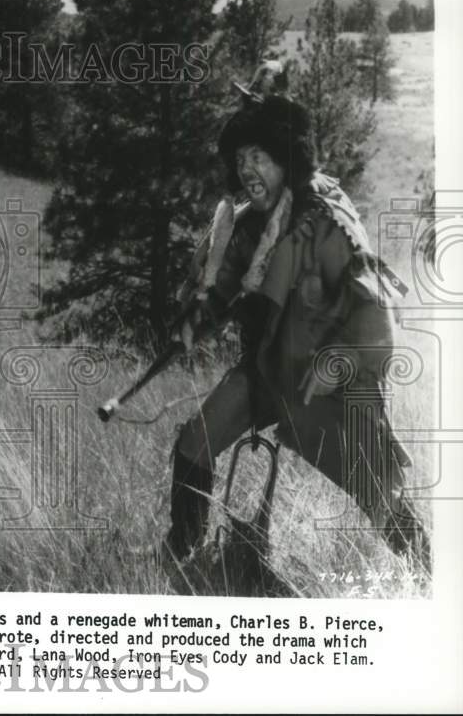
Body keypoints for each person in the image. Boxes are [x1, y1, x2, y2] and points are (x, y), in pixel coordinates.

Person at [166, 93, 428, 568]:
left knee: (379, 496)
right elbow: (222, 287)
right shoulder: (252, 223)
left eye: (259, 157)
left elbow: (376, 321)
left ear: (285, 158)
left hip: (331, 385)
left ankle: (431, 572)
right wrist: (193, 321)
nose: (247, 169)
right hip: (271, 368)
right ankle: (184, 558)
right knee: (194, 444)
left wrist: (336, 362)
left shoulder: (327, 222)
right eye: (241, 159)